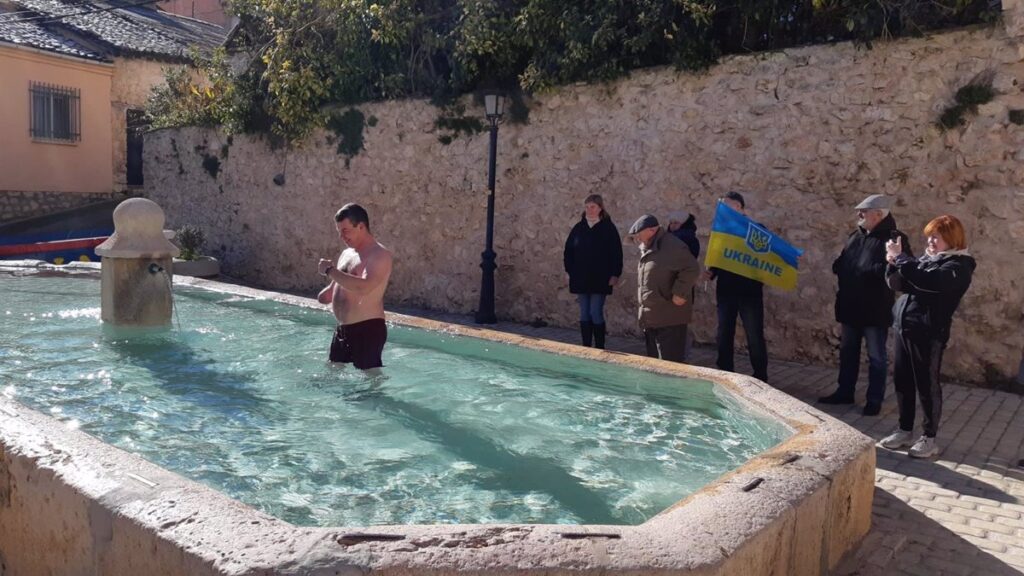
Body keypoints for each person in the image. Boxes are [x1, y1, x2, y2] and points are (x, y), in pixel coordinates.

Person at [879, 215, 975, 458]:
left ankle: (929, 437)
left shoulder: (958, 266)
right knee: (903, 381)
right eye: (930, 236)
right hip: (905, 327)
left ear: (951, 239)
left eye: (937, 237)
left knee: (926, 384)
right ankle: (904, 429)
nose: (931, 241)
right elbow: (899, 283)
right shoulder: (926, 260)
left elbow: (928, 283)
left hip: (929, 332)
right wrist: (893, 262)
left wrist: (902, 259)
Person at [820, 194, 912, 416]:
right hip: (851, 305)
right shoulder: (856, 236)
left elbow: (901, 271)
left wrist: (872, 271)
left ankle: (874, 399)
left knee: (876, 356)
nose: (859, 215)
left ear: (878, 214)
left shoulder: (894, 239)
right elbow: (844, 260)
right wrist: (840, 266)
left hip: (874, 309)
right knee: (848, 351)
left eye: (863, 211)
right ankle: (845, 392)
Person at [700, 191, 769, 382]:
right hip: (726, 291)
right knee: (724, 333)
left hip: (750, 292)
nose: (721, 210)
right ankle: (725, 371)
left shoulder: (757, 229)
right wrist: (711, 272)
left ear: (739, 207)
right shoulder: (722, 232)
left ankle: (760, 376)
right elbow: (718, 259)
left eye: (726, 206)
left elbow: (769, 255)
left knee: (754, 334)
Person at [317, 203, 393, 370]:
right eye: (339, 232)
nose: (341, 237)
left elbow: (364, 288)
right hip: (343, 329)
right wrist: (325, 295)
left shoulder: (379, 255)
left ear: (361, 226)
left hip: (368, 329)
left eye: (345, 231)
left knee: (370, 380)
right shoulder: (346, 254)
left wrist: (330, 270)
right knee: (332, 372)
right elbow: (333, 289)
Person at [629, 214, 700, 363]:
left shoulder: (673, 246)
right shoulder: (648, 248)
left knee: (670, 367)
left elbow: (692, 268)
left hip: (670, 318)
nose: (637, 239)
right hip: (652, 319)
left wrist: (679, 293)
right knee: (655, 367)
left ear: (651, 230)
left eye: (638, 234)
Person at [563, 194, 623, 349]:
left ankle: (600, 347)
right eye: (587, 206)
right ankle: (586, 346)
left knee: (595, 311)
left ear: (600, 208)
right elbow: (568, 251)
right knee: (584, 313)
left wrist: (615, 274)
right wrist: (570, 271)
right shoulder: (579, 228)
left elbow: (616, 252)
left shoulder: (608, 228)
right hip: (581, 277)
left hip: (600, 277)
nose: (590, 210)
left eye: (593, 207)